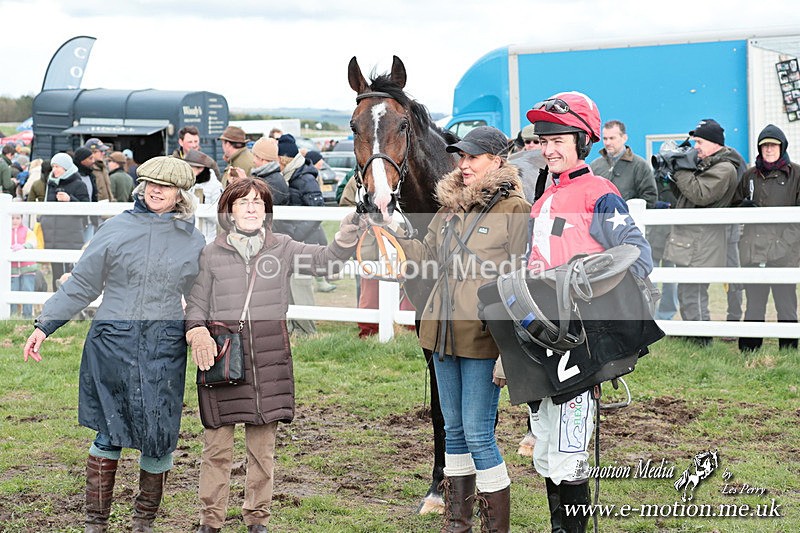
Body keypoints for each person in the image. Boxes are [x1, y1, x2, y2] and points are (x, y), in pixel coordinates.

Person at [22, 156, 206, 532]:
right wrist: (45, 324)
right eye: (151, 183)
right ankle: (96, 523)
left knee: (159, 436)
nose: (156, 190)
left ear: (180, 194)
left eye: (166, 186)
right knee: (108, 430)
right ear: (141, 186)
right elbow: (82, 284)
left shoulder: (193, 240)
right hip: (112, 343)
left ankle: (143, 523)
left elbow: (202, 295)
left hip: (164, 347)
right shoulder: (115, 228)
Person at [184, 177, 363, 533]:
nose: (251, 208)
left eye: (258, 202)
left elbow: (325, 262)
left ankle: (257, 520)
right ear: (229, 211)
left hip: (269, 362)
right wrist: (196, 331)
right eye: (243, 202)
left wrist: (346, 237)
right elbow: (197, 303)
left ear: (266, 211)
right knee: (216, 449)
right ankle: (211, 521)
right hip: (223, 360)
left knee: (262, 452)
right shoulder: (210, 253)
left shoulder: (283, 246)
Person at [524, 91, 655, 532]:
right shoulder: (541, 202)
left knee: (569, 450)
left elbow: (636, 254)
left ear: (583, 141)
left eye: (559, 139)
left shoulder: (601, 193)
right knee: (544, 446)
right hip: (542, 339)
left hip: (581, 343)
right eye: (544, 140)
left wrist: (584, 279)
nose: (549, 149)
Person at [396, 126, 530, 532]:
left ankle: (496, 527)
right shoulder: (449, 207)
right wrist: (393, 236)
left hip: (484, 340)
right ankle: (458, 522)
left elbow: (521, 281)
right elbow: (426, 256)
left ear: (497, 159)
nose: (464, 164)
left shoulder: (515, 210)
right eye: (461, 157)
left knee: (478, 434)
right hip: (440, 333)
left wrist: (511, 351)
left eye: (473, 157)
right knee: (452, 430)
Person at [663, 118, 740, 345]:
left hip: (703, 240)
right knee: (687, 291)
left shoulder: (724, 168)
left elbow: (700, 193)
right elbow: (686, 195)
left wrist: (681, 169)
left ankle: (700, 339)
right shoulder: (707, 164)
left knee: (695, 292)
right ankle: (692, 333)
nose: (695, 147)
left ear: (715, 143)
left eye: (699, 142)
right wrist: (673, 174)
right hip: (693, 238)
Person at [733, 124, 800, 352]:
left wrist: (784, 244)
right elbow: (734, 204)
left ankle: (789, 351)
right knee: (754, 304)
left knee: (786, 304)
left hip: (785, 253)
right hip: (754, 250)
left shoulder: (796, 175)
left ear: (782, 147)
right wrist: (742, 206)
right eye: (764, 145)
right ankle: (749, 351)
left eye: (773, 145)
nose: (769, 149)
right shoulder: (750, 175)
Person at [277, 133, 326, 335]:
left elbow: (317, 210)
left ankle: (308, 331)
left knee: (301, 285)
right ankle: (296, 328)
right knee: (291, 285)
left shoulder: (305, 177)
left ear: (282, 159)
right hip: (295, 240)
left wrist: (296, 235)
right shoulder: (292, 175)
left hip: (306, 241)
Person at [39, 153, 90, 287]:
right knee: (55, 273)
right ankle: (56, 303)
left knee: (71, 272)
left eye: (58, 167)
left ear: (66, 168)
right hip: (52, 235)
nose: (54, 170)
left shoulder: (79, 185)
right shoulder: (51, 184)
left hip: (70, 235)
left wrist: (70, 199)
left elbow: (86, 209)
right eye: (53, 166)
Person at [590, 120, 657, 208]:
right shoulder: (594, 166)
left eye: (612, 138)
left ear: (624, 138)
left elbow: (650, 198)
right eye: (605, 138)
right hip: (599, 220)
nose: (607, 143)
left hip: (631, 220)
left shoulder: (640, 166)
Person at [185, 149, 225, 244]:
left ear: (200, 168)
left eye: (190, 167)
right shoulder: (188, 184)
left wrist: (198, 210)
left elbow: (219, 216)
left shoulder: (215, 186)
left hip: (207, 239)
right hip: (187, 237)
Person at [9, 213, 38, 317]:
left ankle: (27, 315)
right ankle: (12, 316)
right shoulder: (4, 232)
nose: (15, 220)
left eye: (17, 218)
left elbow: (34, 242)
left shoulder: (27, 231)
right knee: (12, 292)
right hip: (12, 269)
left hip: (27, 267)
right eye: (12, 218)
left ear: (21, 219)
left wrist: (24, 246)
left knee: (28, 291)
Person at [84, 138, 114, 202]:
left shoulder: (103, 167)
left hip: (107, 206)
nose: (103, 154)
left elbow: (108, 189)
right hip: (96, 207)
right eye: (101, 151)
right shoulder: (88, 169)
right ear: (92, 152)